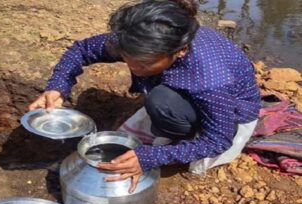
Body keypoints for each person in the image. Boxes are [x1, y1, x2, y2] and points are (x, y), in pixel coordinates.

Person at [28, 0, 261, 193]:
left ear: (180, 51)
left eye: (143, 63)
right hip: (187, 91)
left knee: (161, 102)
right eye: (127, 58)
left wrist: (151, 157)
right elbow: (81, 50)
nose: (133, 67)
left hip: (229, 114)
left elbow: (218, 140)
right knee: (160, 97)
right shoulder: (138, 40)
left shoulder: (210, 80)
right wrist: (57, 87)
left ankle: (181, 134)